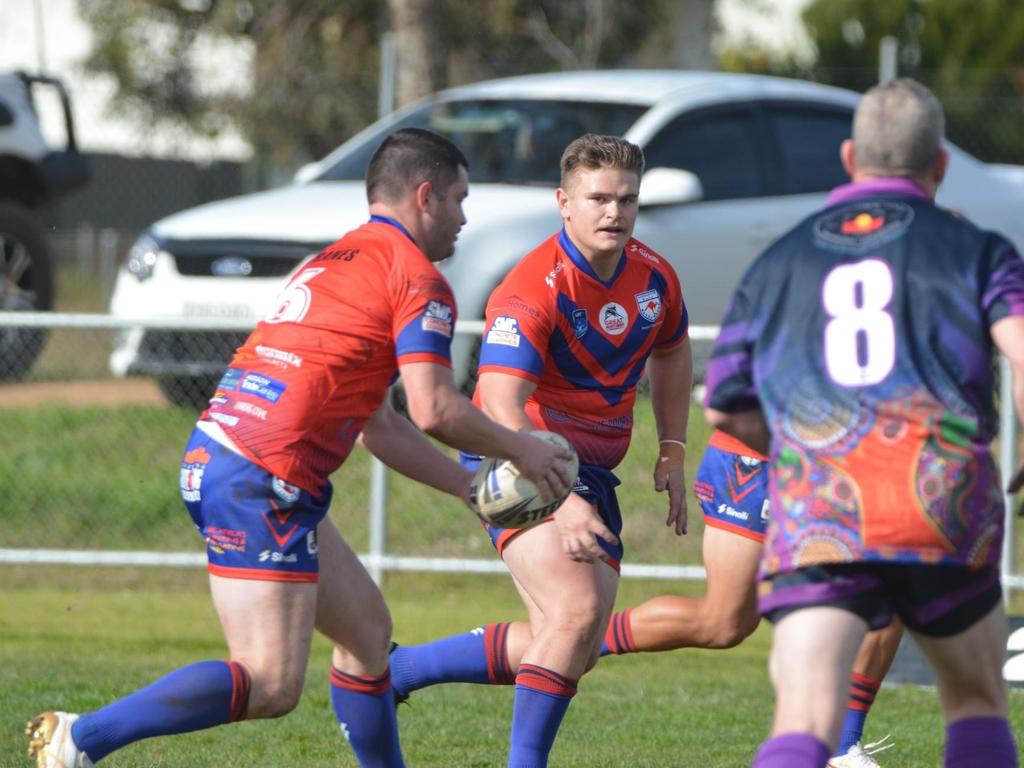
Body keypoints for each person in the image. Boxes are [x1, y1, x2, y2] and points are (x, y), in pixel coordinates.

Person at [25, 128, 574, 768]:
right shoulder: (418, 281)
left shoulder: (335, 261)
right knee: (269, 682)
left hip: (231, 458)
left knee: (367, 636)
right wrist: (521, 452)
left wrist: (469, 489)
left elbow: (383, 426)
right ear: (426, 197)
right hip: (262, 476)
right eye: (458, 198)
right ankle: (78, 740)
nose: (464, 216)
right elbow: (434, 409)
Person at [704, 78, 1022, 767]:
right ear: (939, 164)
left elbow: (724, 403)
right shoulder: (977, 249)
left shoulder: (778, 259)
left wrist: (798, 451)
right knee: (974, 701)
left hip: (821, 509)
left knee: (803, 717)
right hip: (939, 498)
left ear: (849, 157)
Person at [398, 133, 693, 767]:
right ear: (564, 202)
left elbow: (672, 351)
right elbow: (501, 404)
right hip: (515, 462)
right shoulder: (533, 286)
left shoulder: (654, 276)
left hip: (588, 473)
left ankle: (401, 670)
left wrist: (672, 448)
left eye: (627, 200)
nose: (613, 213)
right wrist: (560, 503)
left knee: (570, 642)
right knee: (578, 611)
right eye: (598, 199)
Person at [390, 428, 903, 767]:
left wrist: (672, 448)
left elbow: (673, 351)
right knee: (728, 621)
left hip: (842, 466)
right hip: (759, 459)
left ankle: (841, 745)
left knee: (727, 624)